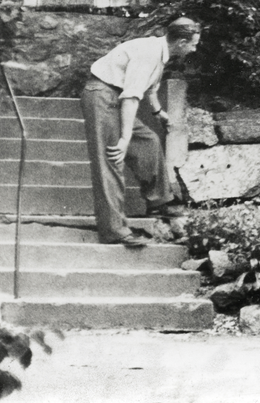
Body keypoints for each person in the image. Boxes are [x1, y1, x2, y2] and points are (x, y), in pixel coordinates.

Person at [81, 18, 201, 247]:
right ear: (181, 42)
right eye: (193, 44)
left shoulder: (160, 50)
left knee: (149, 142)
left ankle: (159, 201)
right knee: (111, 160)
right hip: (102, 95)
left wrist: (157, 111)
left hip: (114, 95)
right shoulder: (150, 53)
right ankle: (114, 231)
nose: (194, 49)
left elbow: (151, 88)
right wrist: (125, 138)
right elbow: (131, 97)